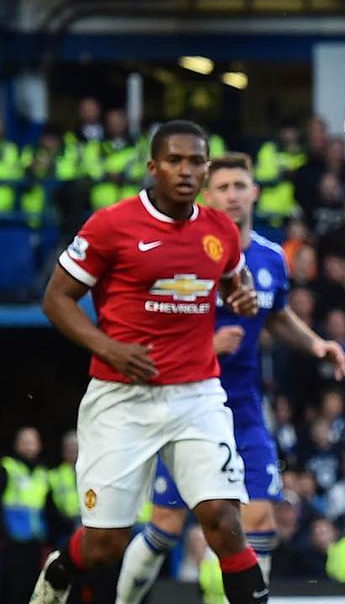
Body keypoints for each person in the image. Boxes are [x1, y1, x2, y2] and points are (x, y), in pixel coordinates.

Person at [30, 121, 269, 604]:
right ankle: (61, 569)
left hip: (197, 395)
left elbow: (231, 281)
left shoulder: (220, 229)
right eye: (175, 160)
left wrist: (240, 297)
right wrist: (108, 347)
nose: (186, 170)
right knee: (105, 544)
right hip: (121, 397)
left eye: (195, 161)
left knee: (224, 523)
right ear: (153, 167)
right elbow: (56, 299)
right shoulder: (111, 225)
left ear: (205, 169)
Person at [115, 152, 345, 602]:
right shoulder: (184, 253)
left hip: (243, 408)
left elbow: (276, 315)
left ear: (254, 192)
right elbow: (153, 330)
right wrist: (206, 345)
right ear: (207, 196)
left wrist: (315, 343)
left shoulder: (270, 257)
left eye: (239, 186)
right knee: (166, 526)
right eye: (222, 187)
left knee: (260, 518)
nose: (232, 195)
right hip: (184, 405)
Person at [2, 427, 51, 604]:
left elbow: (47, 507)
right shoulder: (8, 467)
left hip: (35, 538)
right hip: (11, 539)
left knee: (33, 586)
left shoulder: (42, 473)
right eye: (26, 442)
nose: (30, 446)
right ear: (17, 445)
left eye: (34, 441)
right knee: (12, 586)